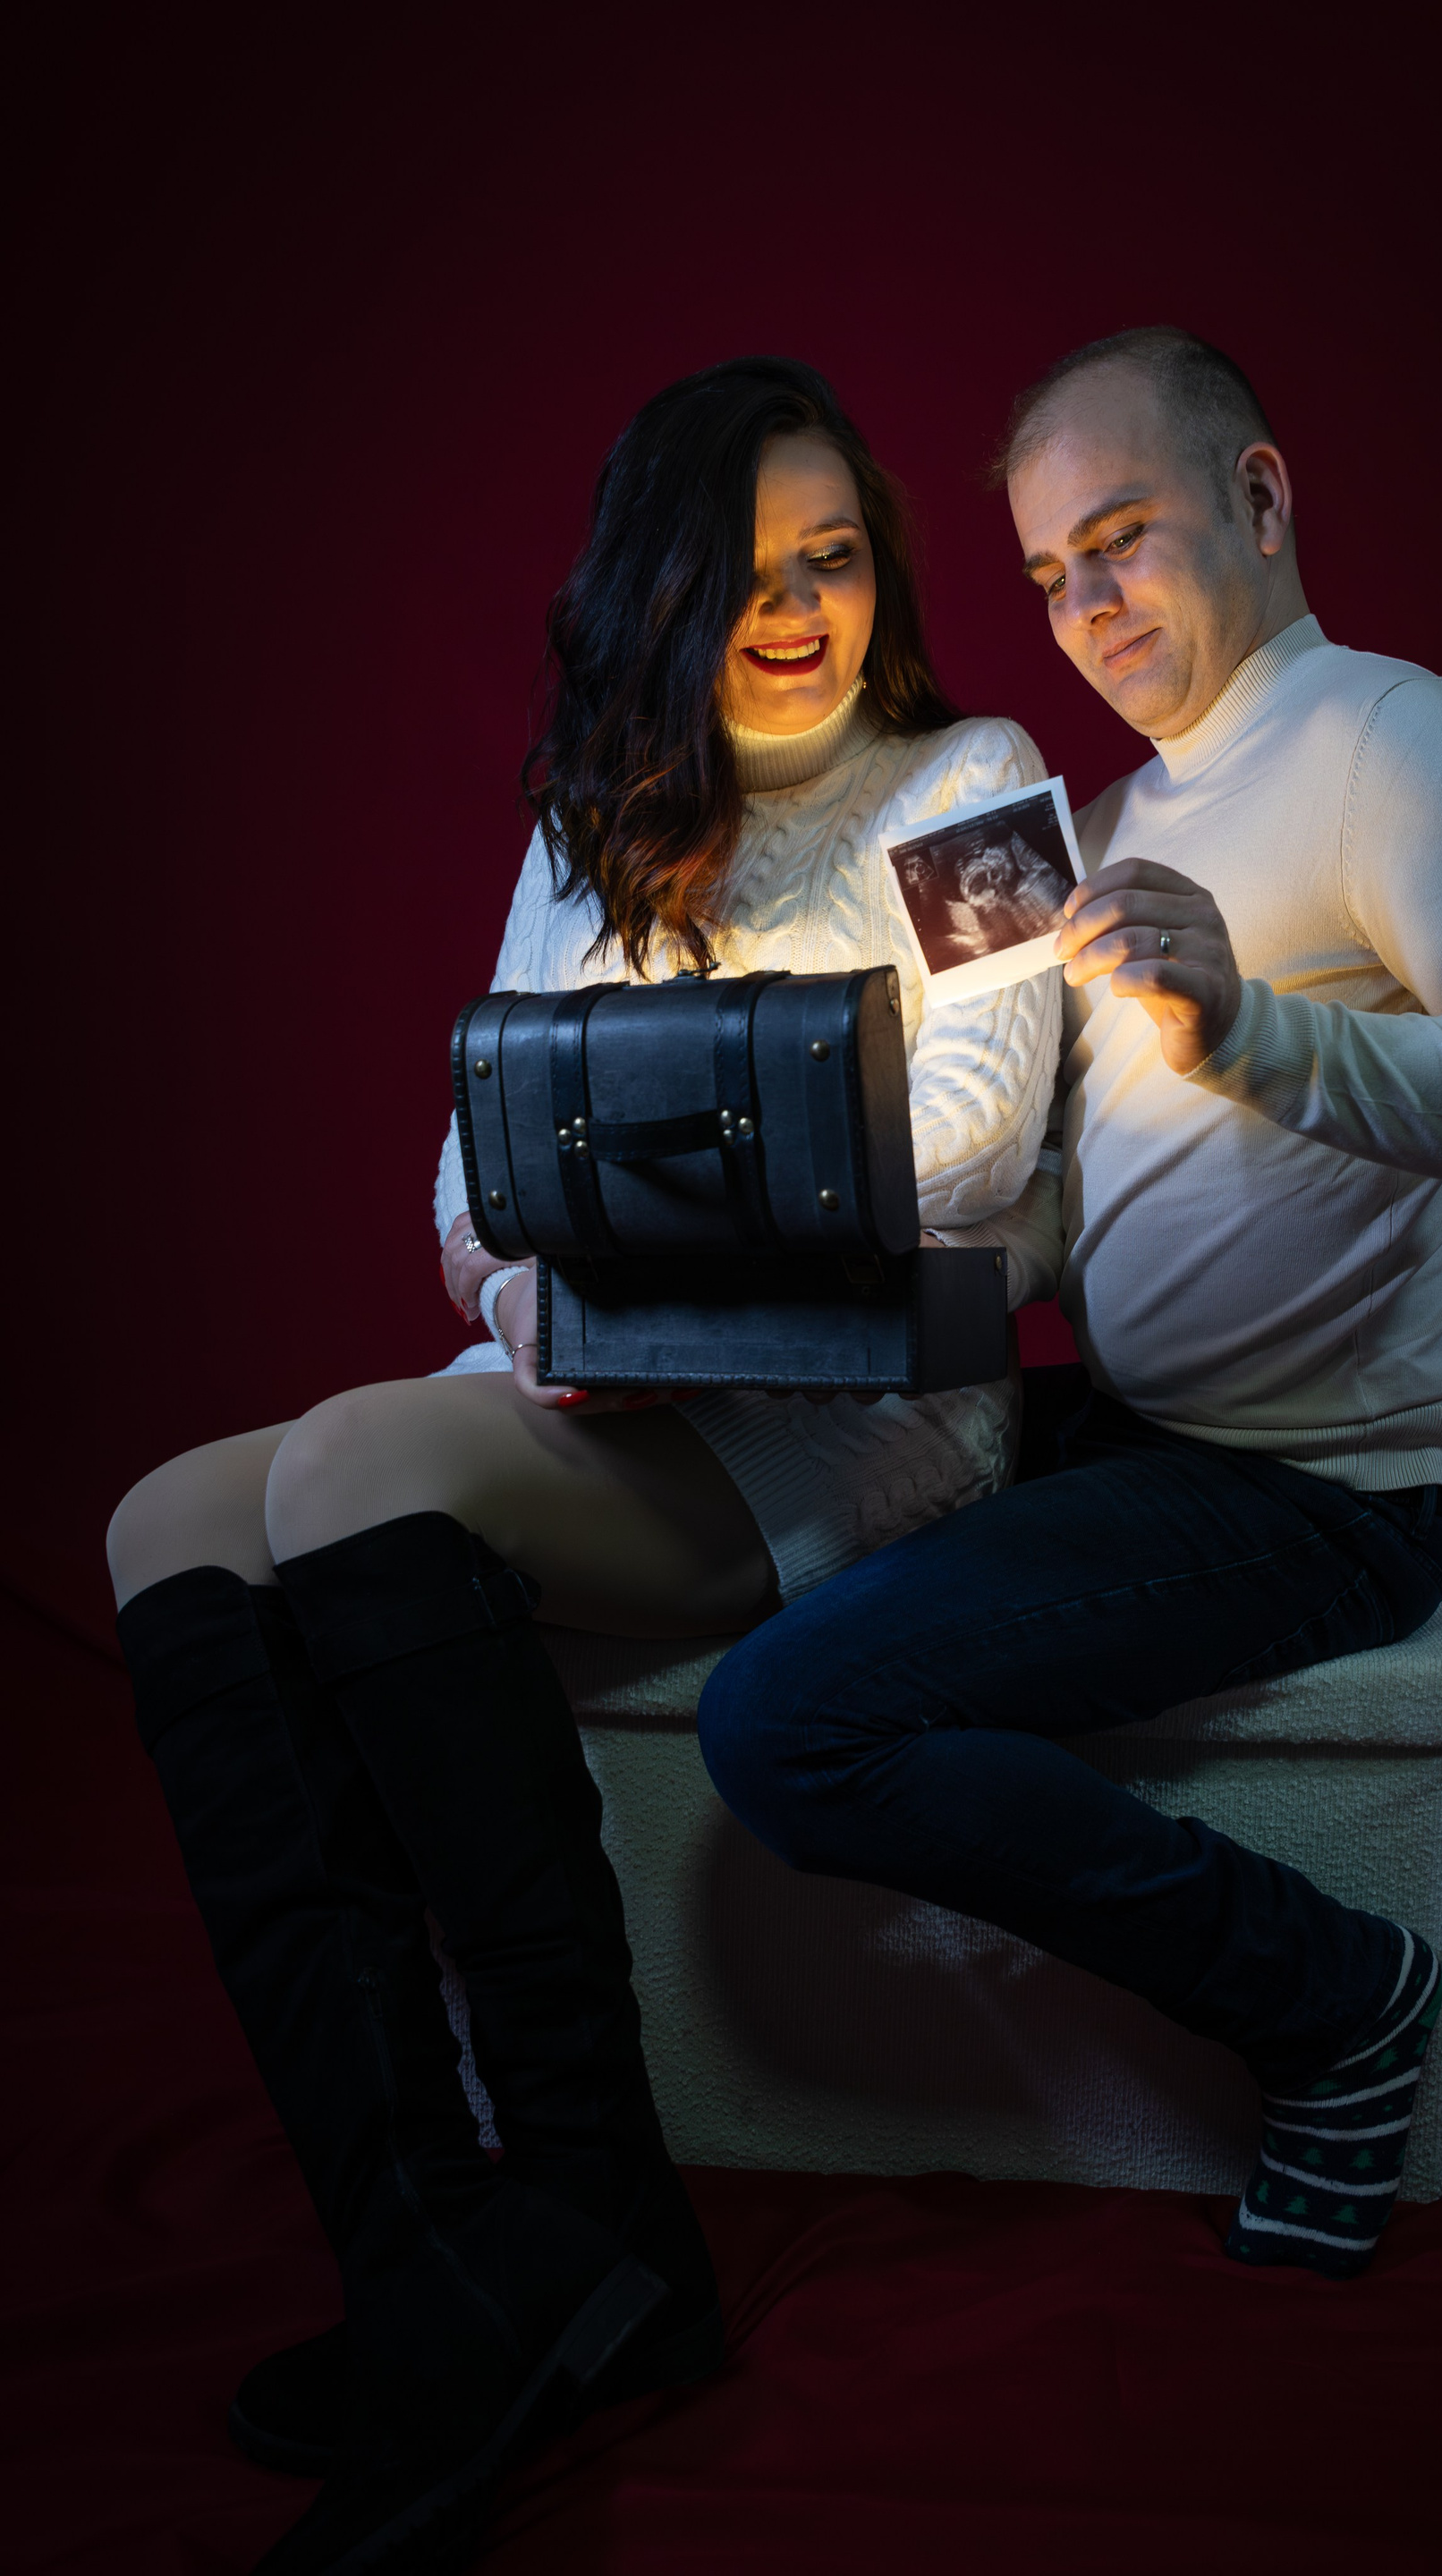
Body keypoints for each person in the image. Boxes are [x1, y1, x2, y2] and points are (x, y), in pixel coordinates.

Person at [106, 355, 1061, 2572]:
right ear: (658, 592)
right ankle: (435, 2260)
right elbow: (471, 1182)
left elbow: (980, 1135)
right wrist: (549, 1293)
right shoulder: (592, 820)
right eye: (744, 570)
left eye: (833, 558)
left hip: (858, 1417)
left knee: (355, 1473)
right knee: (167, 1521)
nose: (796, 609)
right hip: (601, 1390)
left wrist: (626, 1233)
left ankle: (597, 2214)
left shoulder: (984, 781)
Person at [699, 326, 1442, 2282]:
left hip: (1315, 1490)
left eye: (1124, 535)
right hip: (1122, 1428)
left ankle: (1331, 1996)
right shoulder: (1089, 821)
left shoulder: (1404, 742)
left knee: (785, 1723)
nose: (1087, 605)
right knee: (729, 1496)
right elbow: (1038, 1184)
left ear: (1263, 497)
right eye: (1049, 571)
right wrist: (822, 1277)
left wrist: (1254, 1029)